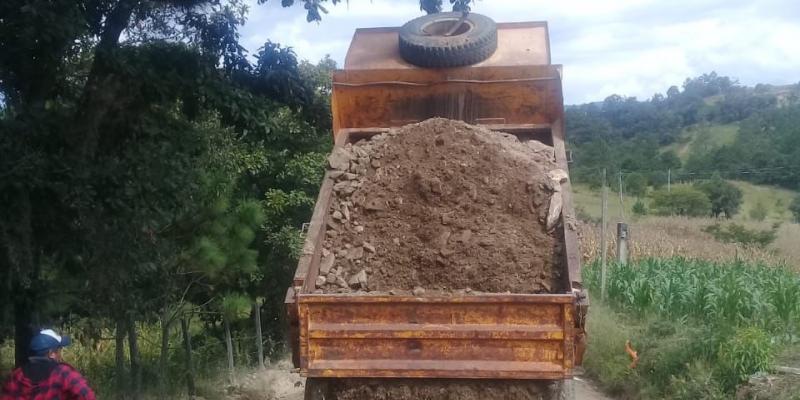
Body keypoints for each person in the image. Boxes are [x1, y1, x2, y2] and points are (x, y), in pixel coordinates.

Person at [1, 329, 96, 400]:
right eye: (59, 350)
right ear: (51, 353)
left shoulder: (17, 375)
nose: (60, 354)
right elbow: (87, 396)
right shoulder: (63, 373)